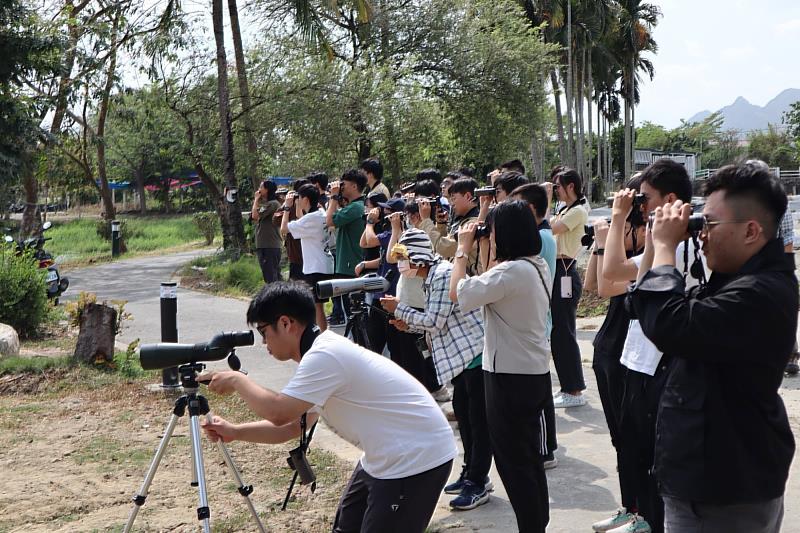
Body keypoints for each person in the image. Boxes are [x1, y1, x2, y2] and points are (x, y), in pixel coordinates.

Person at [200, 282, 456, 533]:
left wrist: (237, 380)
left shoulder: (325, 356)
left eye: (263, 331)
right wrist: (235, 431)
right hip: (386, 455)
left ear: (286, 323)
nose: (264, 342)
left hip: (416, 457)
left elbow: (279, 413)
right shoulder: (320, 355)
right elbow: (290, 426)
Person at [629, 162, 797, 533]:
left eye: (710, 224)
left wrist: (664, 246)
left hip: (723, 488)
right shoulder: (738, 280)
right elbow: (645, 306)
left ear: (751, 231)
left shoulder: (758, 293)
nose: (701, 234)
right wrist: (660, 247)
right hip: (716, 474)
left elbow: (670, 324)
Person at [601, 160, 704, 533]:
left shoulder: (676, 250)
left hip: (659, 369)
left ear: (671, 200)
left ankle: (649, 521)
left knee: (654, 465)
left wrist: (618, 219)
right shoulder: (664, 245)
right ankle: (639, 516)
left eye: (646, 199)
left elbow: (613, 273)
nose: (639, 206)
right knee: (636, 455)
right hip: (639, 362)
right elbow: (609, 279)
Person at [450, 200, 553, 533]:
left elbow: (459, 292)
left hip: (510, 379)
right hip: (529, 373)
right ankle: (537, 523)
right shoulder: (533, 265)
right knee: (527, 460)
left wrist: (463, 250)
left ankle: (532, 526)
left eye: (493, 231)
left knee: (514, 463)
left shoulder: (512, 273)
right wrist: (486, 245)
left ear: (504, 234)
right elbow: (489, 279)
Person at [380, 228, 490, 511]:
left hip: (472, 356)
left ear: (417, 257)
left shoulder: (441, 275)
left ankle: (478, 482)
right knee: (465, 418)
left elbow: (436, 320)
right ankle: (470, 473)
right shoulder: (433, 276)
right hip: (460, 357)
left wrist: (400, 310)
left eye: (404, 257)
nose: (401, 264)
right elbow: (434, 320)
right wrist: (409, 323)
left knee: (477, 423)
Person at [581, 177, 648, 533]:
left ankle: (642, 512)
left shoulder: (650, 245)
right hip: (608, 345)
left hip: (629, 349)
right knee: (620, 436)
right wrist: (600, 243)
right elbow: (593, 285)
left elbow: (608, 285)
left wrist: (612, 234)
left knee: (635, 435)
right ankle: (629, 506)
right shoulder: (621, 242)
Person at [510, 183, 558, 469]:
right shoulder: (542, 234)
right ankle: (543, 446)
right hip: (538, 318)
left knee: (538, 392)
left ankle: (545, 449)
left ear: (529, 210)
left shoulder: (540, 238)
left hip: (538, 320)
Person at [544, 168, 590, 408]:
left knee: (564, 331)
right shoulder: (566, 210)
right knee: (558, 331)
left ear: (570, 186)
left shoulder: (578, 211)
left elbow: (551, 229)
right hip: (558, 270)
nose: (556, 191)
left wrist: (547, 200)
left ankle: (574, 389)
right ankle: (568, 387)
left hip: (565, 270)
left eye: (558, 187)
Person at [280, 184, 335, 331]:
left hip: (315, 267)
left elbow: (284, 229)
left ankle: (322, 339)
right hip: (325, 263)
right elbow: (301, 219)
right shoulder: (321, 213)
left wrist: (286, 208)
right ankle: (320, 336)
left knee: (317, 307)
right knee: (317, 306)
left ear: (305, 199)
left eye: (299, 198)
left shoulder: (311, 219)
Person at [358, 196, 402, 354]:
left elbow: (370, 241)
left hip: (390, 293)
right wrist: (365, 264)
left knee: (391, 344)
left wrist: (370, 222)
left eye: (388, 211)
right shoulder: (389, 231)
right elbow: (363, 243)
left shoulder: (395, 234)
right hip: (381, 293)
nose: (384, 213)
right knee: (373, 339)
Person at [326, 169, 367, 322]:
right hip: (349, 265)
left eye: (344, 184)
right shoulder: (353, 207)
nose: (341, 187)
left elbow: (329, 221)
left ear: (354, 186)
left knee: (353, 316)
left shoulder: (356, 208)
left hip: (351, 267)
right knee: (351, 315)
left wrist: (333, 197)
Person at [251, 179, 283, 284]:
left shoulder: (272, 204)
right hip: (264, 244)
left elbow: (255, 216)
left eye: (261, 187)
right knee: (271, 275)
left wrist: (256, 200)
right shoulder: (266, 204)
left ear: (267, 190)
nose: (259, 190)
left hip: (270, 245)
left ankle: (275, 297)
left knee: (271, 276)